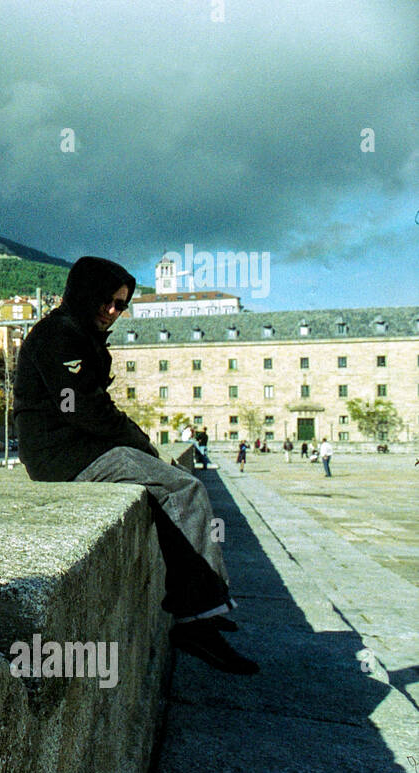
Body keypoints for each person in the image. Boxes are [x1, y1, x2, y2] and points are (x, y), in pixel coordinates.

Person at [13, 255, 258, 675]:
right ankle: (197, 619)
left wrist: (135, 442)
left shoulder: (79, 332)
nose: (113, 311)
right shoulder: (61, 335)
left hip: (80, 447)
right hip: (66, 455)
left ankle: (206, 610)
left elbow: (91, 409)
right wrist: (140, 441)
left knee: (175, 484)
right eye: (107, 301)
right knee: (184, 488)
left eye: (122, 304)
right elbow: (85, 411)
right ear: (84, 294)